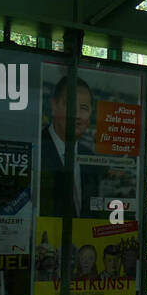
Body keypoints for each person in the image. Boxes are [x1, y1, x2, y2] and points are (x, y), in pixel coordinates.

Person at [39, 75, 93, 218]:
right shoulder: (36, 148)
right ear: (54, 106)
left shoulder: (91, 159)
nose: (76, 115)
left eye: (84, 108)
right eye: (70, 105)